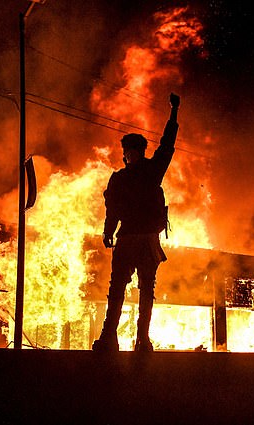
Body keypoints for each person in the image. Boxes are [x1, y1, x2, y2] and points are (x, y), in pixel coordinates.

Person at [93, 92, 180, 352]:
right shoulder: (129, 177)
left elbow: (167, 144)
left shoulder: (139, 173)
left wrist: (174, 112)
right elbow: (113, 209)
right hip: (134, 239)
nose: (130, 154)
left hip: (138, 239)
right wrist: (108, 231)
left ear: (137, 152)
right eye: (129, 151)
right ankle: (122, 337)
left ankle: (132, 338)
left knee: (134, 290)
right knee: (127, 289)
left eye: (133, 150)